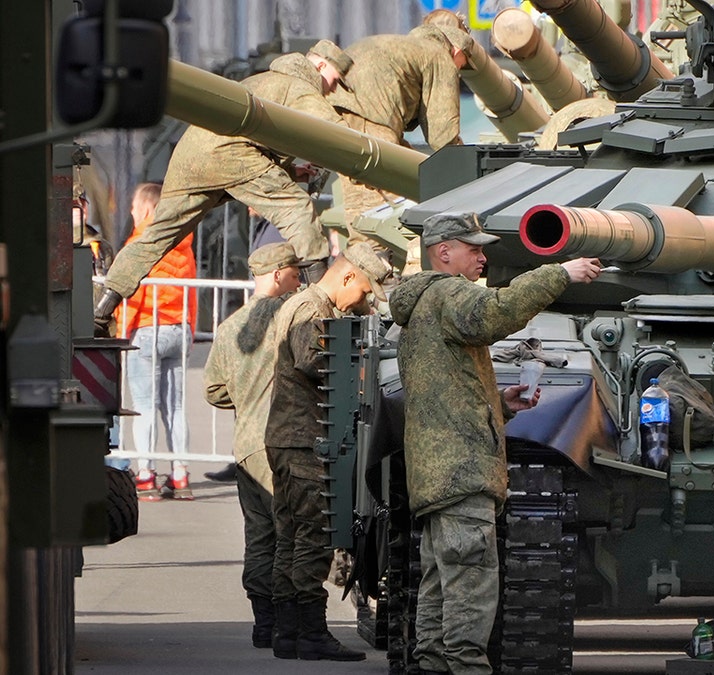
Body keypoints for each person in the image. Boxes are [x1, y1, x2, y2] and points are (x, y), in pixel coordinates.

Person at [388, 212, 601, 674]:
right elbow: (495, 313)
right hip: (463, 472)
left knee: (440, 587)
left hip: (439, 472)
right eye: (474, 248)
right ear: (444, 252)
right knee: (470, 589)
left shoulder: (422, 305)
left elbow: (444, 392)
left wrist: (501, 404)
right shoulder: (448, 292)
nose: (483, 257)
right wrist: (560, 272)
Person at [94, 40, 354, 334]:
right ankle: (321, 310)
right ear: (319, 66)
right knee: (299, 211)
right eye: (334, 81)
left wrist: (293, 171)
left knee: (156, 236)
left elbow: (257, 140)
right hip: (230, 154)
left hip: (192, 156)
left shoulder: (262, 81)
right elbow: (335, 131)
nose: (331, 91)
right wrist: (364, 148)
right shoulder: (299, 85)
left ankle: (102, 311)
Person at [263, 242, 392, 662]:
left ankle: (289, 632)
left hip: (291, 436)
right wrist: (360, 365)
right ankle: (312, 633)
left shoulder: (310, 306)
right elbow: (312, 360)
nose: (365, 302)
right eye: (366, 292)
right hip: (303, 438)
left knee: (290, 536)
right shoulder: (311, 310)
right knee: (313, 538)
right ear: (349, 276)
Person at [203, 242, 309, 648]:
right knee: (292, 534)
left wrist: (245, 398)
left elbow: (214, 391)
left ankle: (263, 623)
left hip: (247, 444)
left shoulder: (231, 327)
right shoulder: (291, 317)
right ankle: (290, 623)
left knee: (260, 534)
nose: (299, 281)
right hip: (288, 439)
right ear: (279, 273)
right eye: (296, 273)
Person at [327, 24, 471, 245]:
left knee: (366, 200)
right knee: (383, 209)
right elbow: (442, 135)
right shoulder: (439, 56)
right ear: (458, 51)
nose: (460, 70)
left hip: (337, 115)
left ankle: (365, 263)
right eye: (463, 64)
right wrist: (466, 174)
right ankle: (376, 267)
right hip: (371, 120)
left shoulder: (403, 45)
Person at [117, 182, 198, 501]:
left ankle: (146, 475)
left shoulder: (140, 243)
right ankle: (180, 476)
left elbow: (131, 294)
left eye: (135, 208)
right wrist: (190, 329)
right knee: (176, 407)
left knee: (145, 408)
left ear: (148, 209)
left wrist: (121, 332)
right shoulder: (183, 244)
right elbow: (191, 291)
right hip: (178, 329)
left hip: (147, 331)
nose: (132, 213)